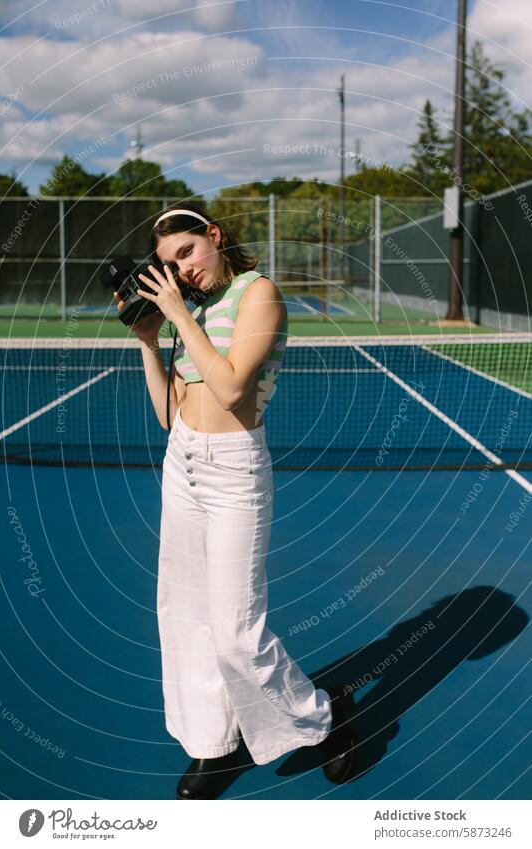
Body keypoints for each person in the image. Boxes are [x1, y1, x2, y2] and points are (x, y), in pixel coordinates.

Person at [114, 202, 357, 799]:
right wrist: (151, 340)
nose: (183, 270)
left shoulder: (259, 294)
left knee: (234, 633)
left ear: (213, 237)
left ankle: (323, 718)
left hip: (233, 473)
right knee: (184, 617)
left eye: (188, 253)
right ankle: (213, 745)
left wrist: (176, 313)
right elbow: (169, 415)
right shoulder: (187, 312)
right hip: (184, 465)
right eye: (170, 263)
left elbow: (228, 388)